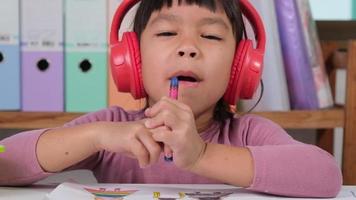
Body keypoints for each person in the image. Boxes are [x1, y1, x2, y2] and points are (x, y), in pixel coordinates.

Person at [0, 0, 342, 198]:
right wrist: (95, 136)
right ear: (132, 59)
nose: (188, 47)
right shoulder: (114, 130)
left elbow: (325, 176)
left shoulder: (249, 133)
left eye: (209, 35)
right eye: (167, 33)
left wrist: (200, 155)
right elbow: (4, 160)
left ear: (240, 67)